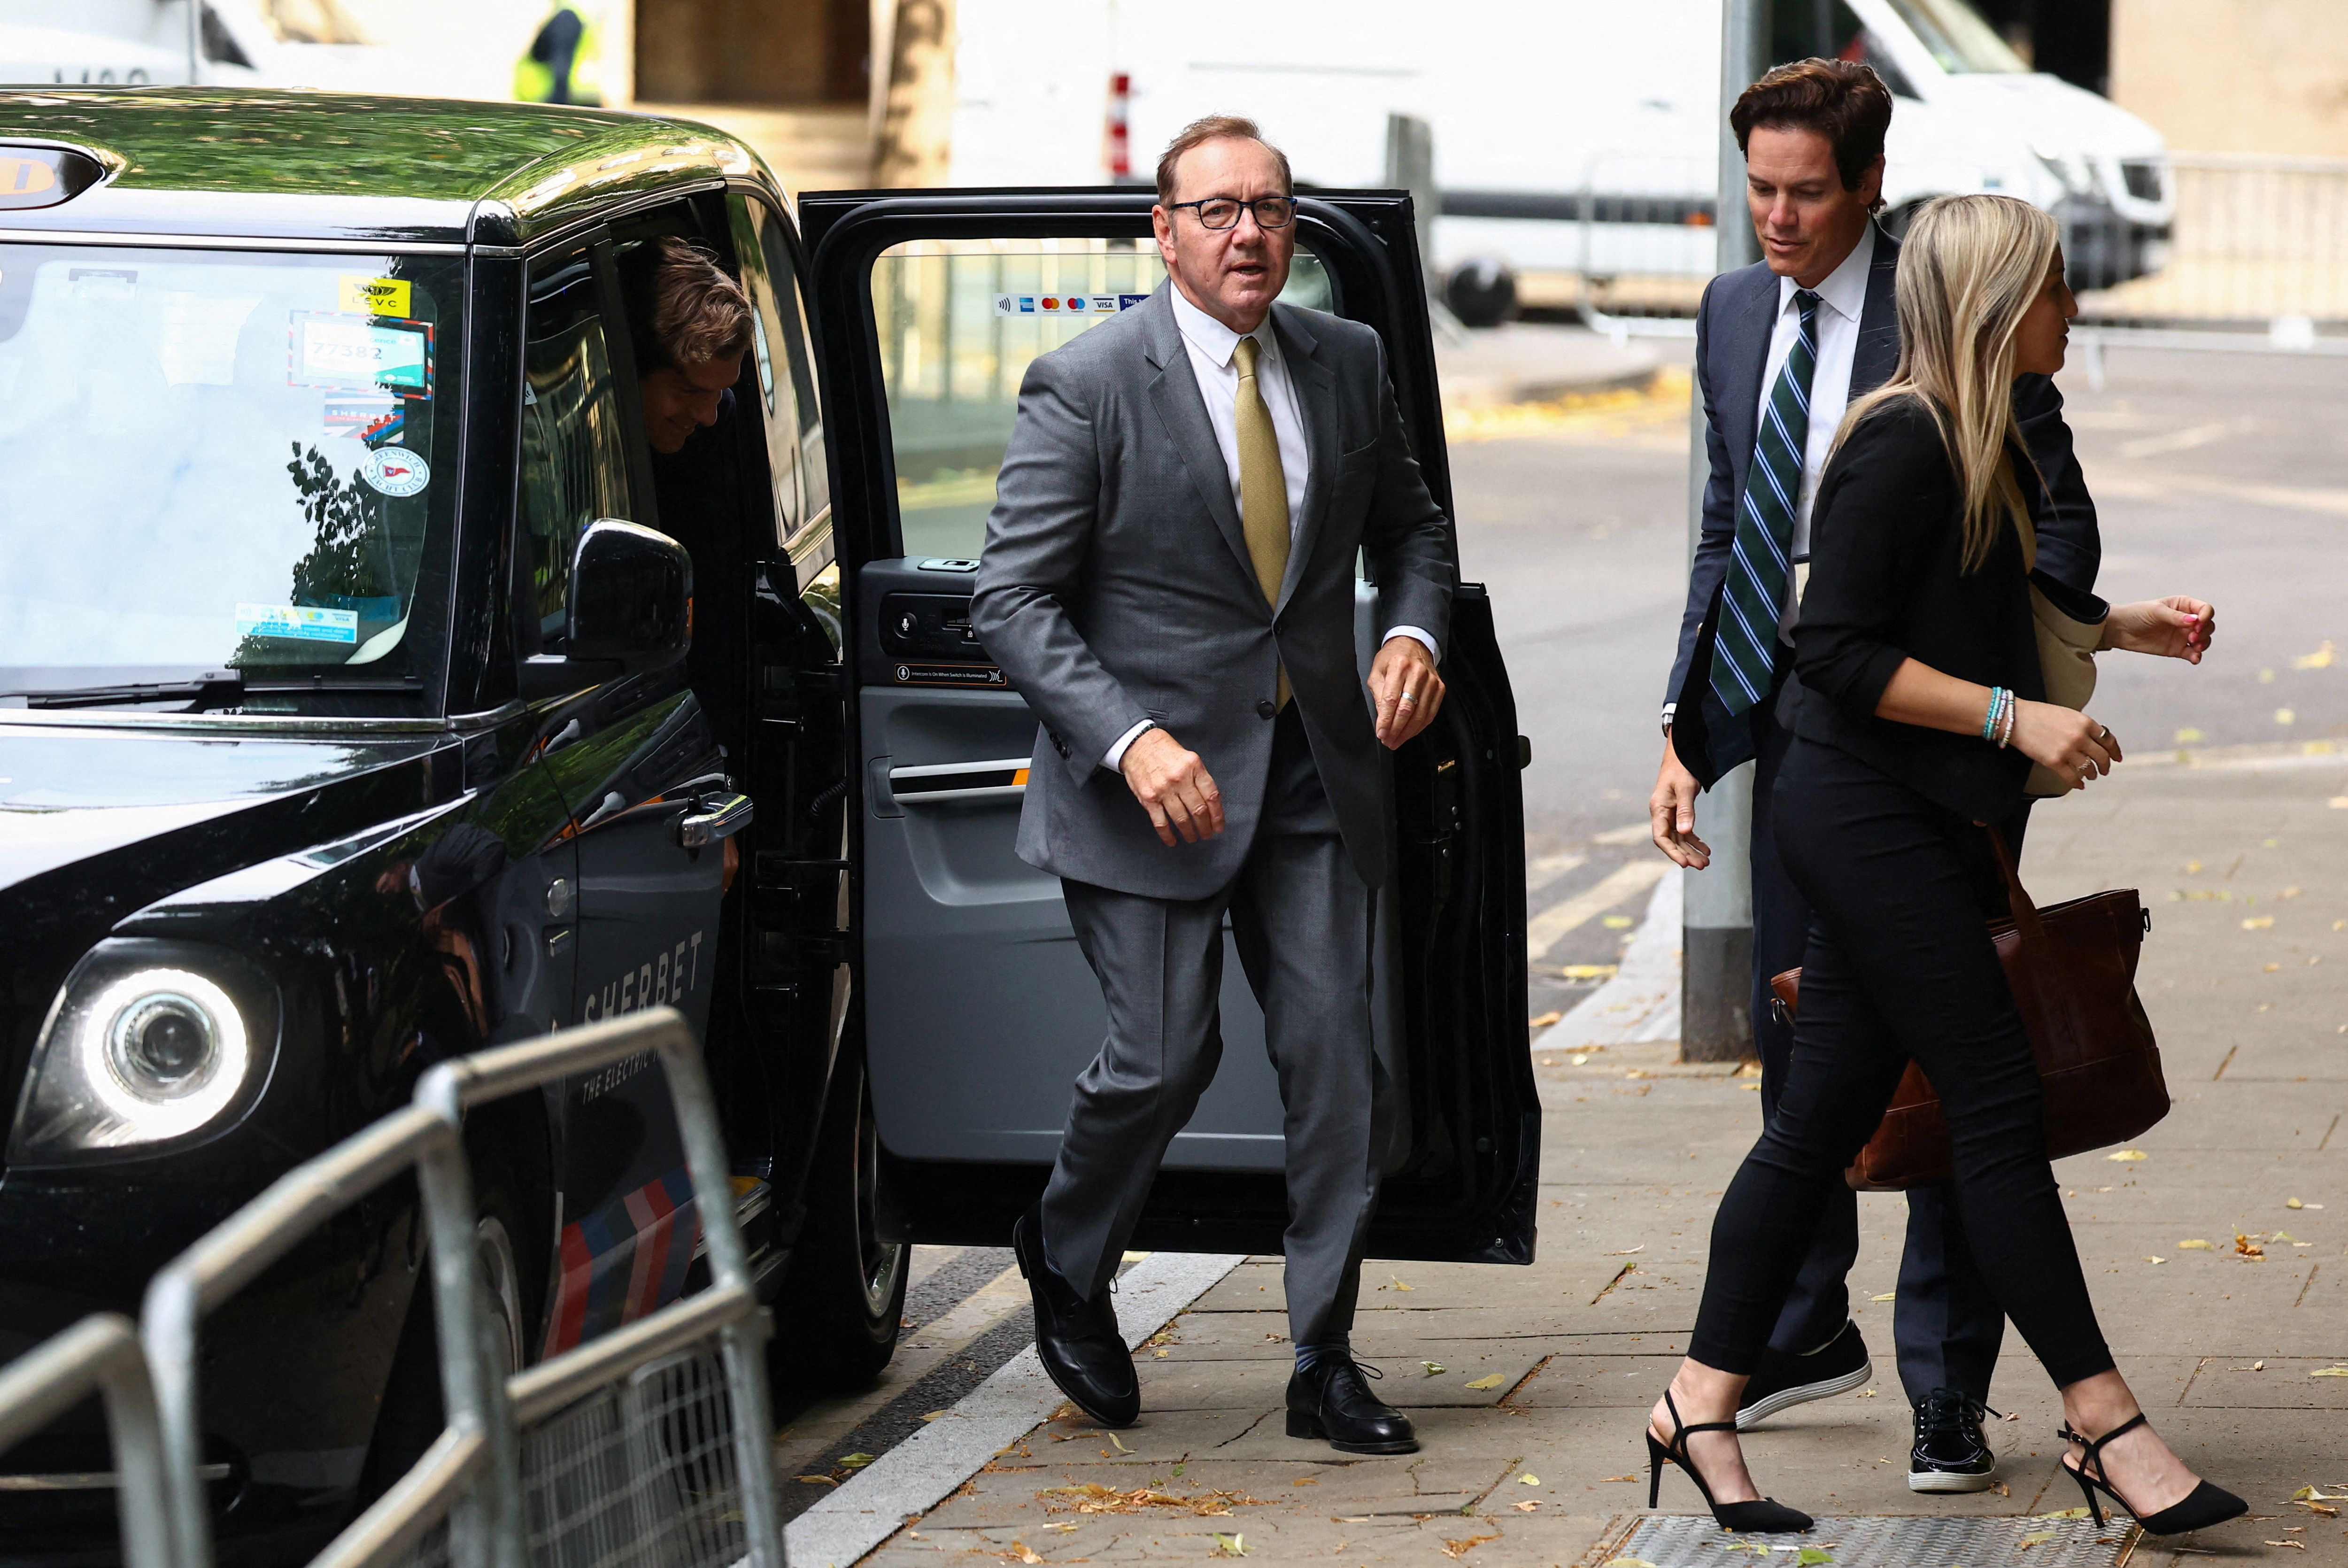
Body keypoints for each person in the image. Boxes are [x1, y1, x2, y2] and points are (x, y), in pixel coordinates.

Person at [1644, 192, 2240, 1540]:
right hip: (1862, 816)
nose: (2072, 308)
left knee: (1811, 1131)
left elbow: (1970, 599)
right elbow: (1835, 649)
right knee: (1993, 1102)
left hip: (1908, 813)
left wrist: (2121, 628)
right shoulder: (1901, 444)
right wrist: (2009, 715)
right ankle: (2108, 1424)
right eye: (2052, 288)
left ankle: (1697, 1403)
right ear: (1993, 306)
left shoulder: (1977, 437)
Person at [1648, 57, 2102, 1492]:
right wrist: (1685, 723)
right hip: (1804, 745)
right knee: (1824, 1072)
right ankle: (1776, 1345)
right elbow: (1728, 524)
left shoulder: (1954, 308)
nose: (1773, 218)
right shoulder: (1731, 310)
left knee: (1960, 1071)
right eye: (1756, 189)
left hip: (1938, 751)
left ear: (1864, 191)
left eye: (1802, 192)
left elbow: (2050, 535)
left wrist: (2006, 703)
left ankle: (1944, 1394)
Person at [972, 116, 1453, 1454]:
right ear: (1163, 231)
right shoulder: (1085, 382)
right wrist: (1128, 738)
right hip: (1149, 788)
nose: (1250, 233)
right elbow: (1010, 600)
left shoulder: (1346, 363)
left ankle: (1322, 1356)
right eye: (1218, 211)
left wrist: (1412, 634)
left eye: (1271, 209)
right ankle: (1067, 1254)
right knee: (1165, 1056)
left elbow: (1413, 531)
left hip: (1312, 775)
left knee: (1337, 1065)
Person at [617, 236, 754, 736]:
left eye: (722, 393)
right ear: (627, 374)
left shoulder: (716, 432)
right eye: (690, 392)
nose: (708, 414)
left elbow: (717, 606)